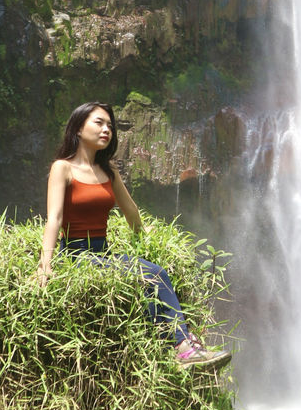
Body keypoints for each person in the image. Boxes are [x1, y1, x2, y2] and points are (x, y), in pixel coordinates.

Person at [36, 101, 231, 370]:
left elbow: (131, 211)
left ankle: (174, 349)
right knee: (155, 273)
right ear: (79, 128)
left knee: (149, 274)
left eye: (110, 126)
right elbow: (54, 218)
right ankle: (183, 347)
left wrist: (145, 236)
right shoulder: (63, 168)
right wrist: (45, 263)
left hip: (102, 253)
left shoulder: (108, 170)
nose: (107, 130)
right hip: (77, 254)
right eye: (99, 123)